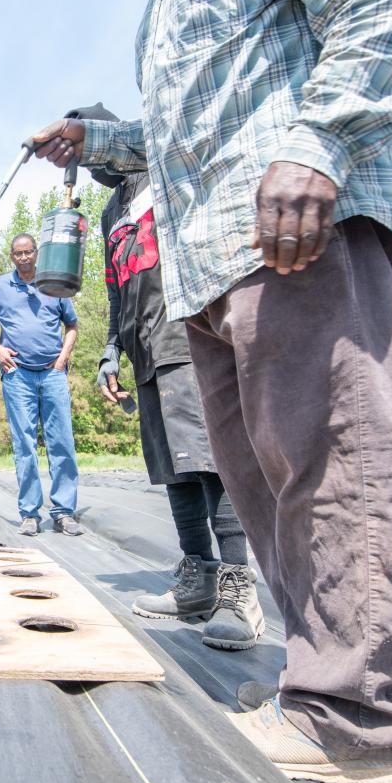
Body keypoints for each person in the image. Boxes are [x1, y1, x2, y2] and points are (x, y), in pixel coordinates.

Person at [34, 0, 392, 783]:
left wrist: (317, 143)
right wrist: (95, 140)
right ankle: (326, 683)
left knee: (332, 463)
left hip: (298, 233)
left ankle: (355, 722)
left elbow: (380, 1)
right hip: (211, 267)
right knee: (265, 484)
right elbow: (183, 135)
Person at [83, 103, 264, 648]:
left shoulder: (166, 175)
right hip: (144, 347)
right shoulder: (112, 211)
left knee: (210, 457)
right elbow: (116, 288)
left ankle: (238, 585)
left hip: (188, 335)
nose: (91, 166)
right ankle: (197, 577)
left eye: (90, 150)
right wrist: (111, 348)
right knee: (173, 467)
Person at [0, 234, 82, 536]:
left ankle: (63, 512)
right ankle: (29, 513)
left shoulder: (54, 284)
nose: (23, 257)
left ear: (37, 253)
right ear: (12, 256)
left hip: (53, 374)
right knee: (24, 444)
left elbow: (72, 325)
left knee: (61, 442)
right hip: (17, 375)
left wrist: (62, 358)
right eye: (18, 253)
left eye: (28, 252)